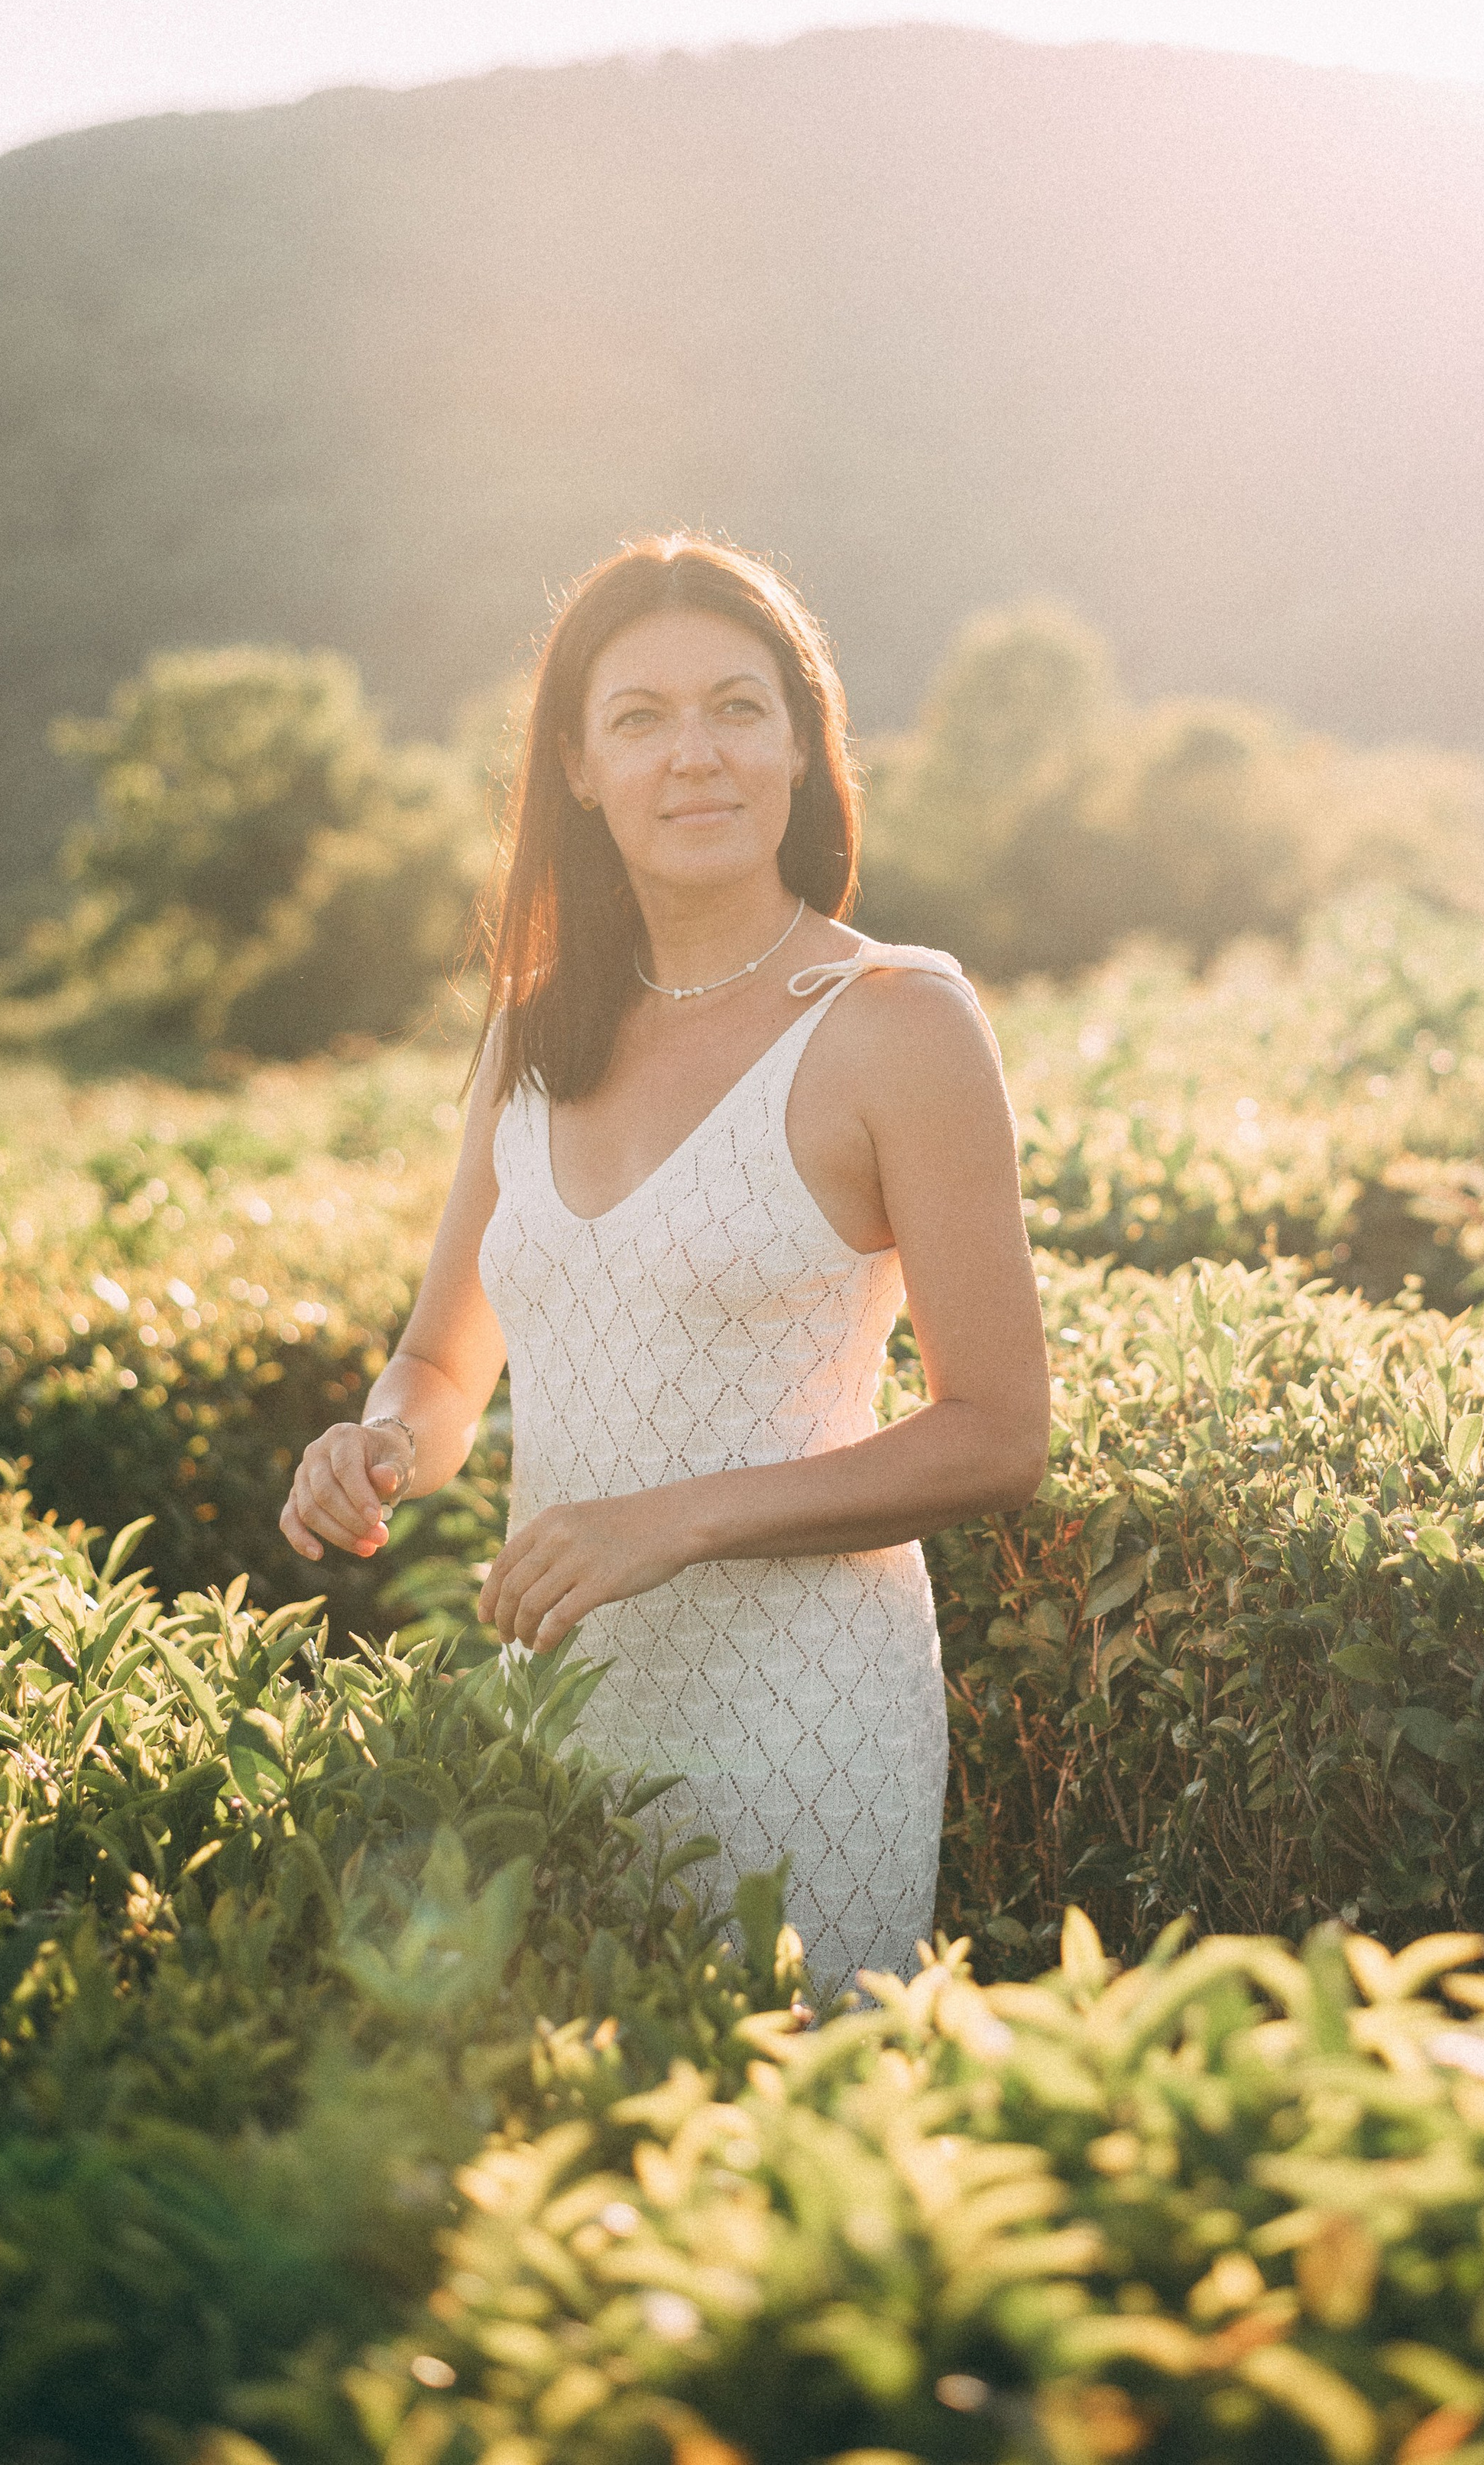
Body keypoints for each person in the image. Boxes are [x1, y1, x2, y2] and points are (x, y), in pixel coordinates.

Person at [279, 534, 1051, 1994]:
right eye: (639, 718)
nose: (692, 756)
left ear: (803, 746)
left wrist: (672, 1522)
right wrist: (378, 1444)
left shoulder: (898, 1020)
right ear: (577, 766)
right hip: (564, 1702)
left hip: (803, 1709)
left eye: (737, 708)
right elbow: (446, 1362)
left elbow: (999, 1437)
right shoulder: (531, 1032)